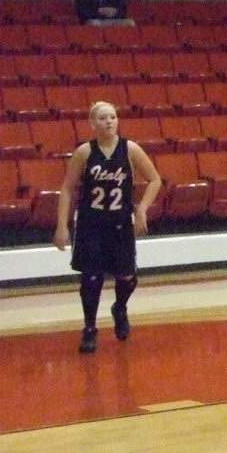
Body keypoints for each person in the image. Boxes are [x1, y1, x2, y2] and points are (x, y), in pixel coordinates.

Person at [54, 101, 161, 353]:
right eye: (103, 118)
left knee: (127, 276)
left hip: (120, 224)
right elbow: (67, 189)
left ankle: (119, 308)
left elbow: (155, 179)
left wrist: (142, 208)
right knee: (91, 279)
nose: (109, 121)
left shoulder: (130, 149)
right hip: (91, 225)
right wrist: (62, 226)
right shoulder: (85, 152)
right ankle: (89, 328)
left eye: (113, 117)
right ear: (93, 124)